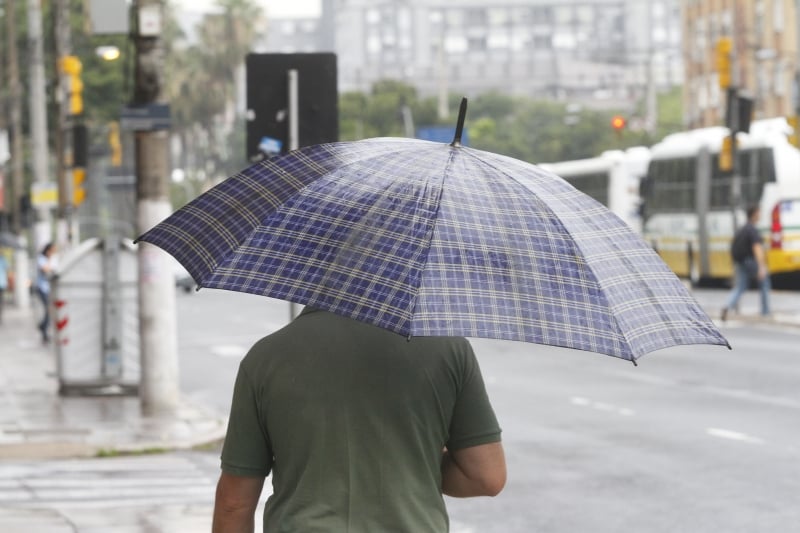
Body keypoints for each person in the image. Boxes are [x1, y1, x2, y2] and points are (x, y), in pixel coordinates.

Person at [212, 306, 506, 533]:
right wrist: (419, 461)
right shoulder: (449, 349)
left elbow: (234, 503)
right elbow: (486, 477)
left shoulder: (265, 357)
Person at [722, 205, 771, 321]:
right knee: (764, 282)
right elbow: (757, 248)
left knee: (740, 287)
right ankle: (765, 311)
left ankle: (727, 306)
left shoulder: (742, 228)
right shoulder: (752, 230)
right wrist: (761, 267)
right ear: (754, 214)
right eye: (759, 213)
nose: (760, 215)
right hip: (750, 260)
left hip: (740, 262)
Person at [36, 243, 56, 343]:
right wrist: (49, 261)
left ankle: (42, 326)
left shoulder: (52, 258)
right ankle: (43, 330)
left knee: (50, 310)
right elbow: (46, 269)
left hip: (49, 289)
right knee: (48, 309)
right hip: (42, 288)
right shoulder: (41, 258)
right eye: (51, 251)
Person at [0, 248, 8, 325]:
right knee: (1, 301)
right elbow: (7, 268)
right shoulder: (2, 259)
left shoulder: (2, 259)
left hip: (2, 283)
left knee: (1, 301)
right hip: (2, 283)